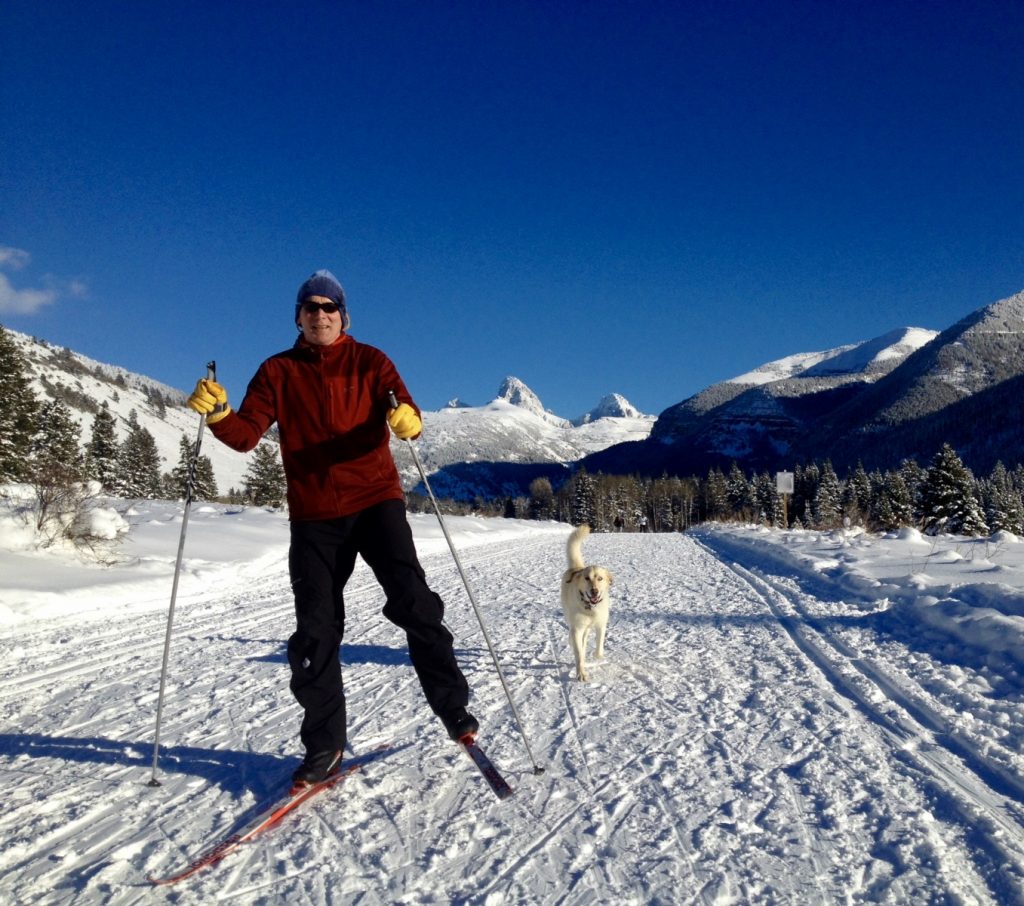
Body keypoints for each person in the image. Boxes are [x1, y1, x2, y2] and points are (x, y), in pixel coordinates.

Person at [187, 269, 477, 787]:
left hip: (375, 502)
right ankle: (324, 746)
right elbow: (247, 435)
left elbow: (404, 409)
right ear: (297, 316)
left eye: (329, 307)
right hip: (315, 515)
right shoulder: (277, 371)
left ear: (343, 316)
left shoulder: (371, 361)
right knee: (315, 632)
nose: (319, 315)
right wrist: (220, 414)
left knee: (414, 602)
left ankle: (454, 710)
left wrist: (409, 418)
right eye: (309, 307)